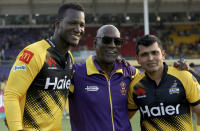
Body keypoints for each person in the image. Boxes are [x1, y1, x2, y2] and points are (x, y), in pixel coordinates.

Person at [3, 3, 85, 131]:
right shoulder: (33, 53)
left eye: (81, 25)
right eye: (73, 23)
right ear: (58, 24)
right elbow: (11, 95)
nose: (78, 29)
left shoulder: (69, 58)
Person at [68, 24, 139, 131]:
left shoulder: (129, 72)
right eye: (106, 40)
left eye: (117, 42)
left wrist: (174, 69)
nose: (112, 45)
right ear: (95, 43)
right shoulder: (75, 74)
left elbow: (154, 77)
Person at [128, 34, 200, 131]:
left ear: (163, 55)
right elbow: (122, 118)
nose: (150, 58)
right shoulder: (134, 86)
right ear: (138, 59)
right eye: (144, 54)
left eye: (155, 53)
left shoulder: (184, 77)